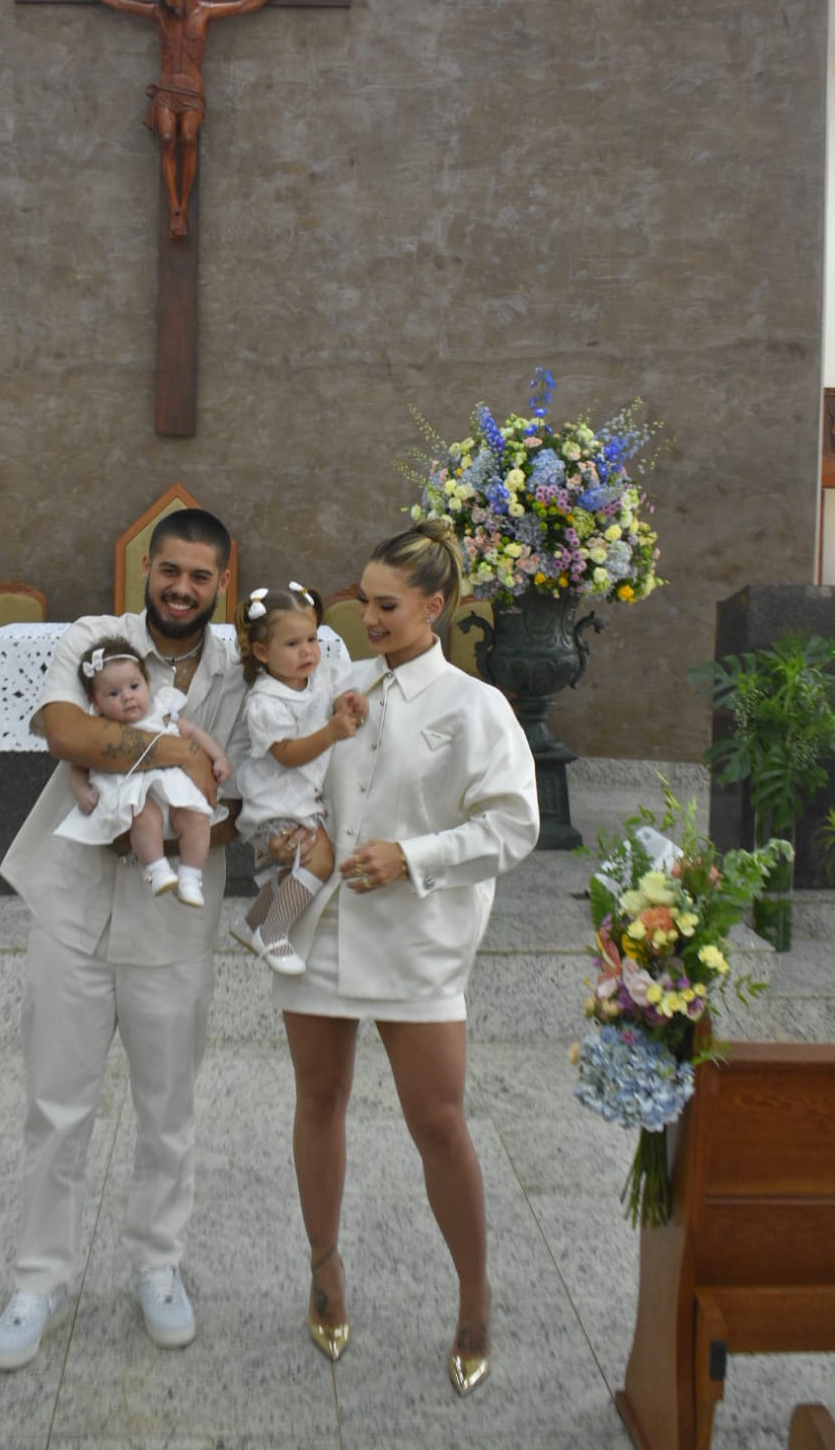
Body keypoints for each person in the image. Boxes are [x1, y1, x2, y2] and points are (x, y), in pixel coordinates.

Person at [267, 518, 540, 1397]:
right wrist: (298, 832)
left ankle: (473, 1296)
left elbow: (511, 824)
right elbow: (296, 774)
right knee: (319, 1096)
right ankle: (325, 1267)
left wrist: (412, 856)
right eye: (363, 601)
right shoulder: (343, 689)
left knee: (438, 1121)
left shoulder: (474, 706)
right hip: (323, 927)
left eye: (386, 605)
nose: (368, 617)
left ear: (435, 605)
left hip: (418, 937)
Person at [0, 507, 248, 1371]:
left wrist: (139, 759)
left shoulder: (242, 668)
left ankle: (158, 1263)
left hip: (172, 920)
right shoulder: (96, 640)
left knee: (168, 1107)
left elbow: (233, 796)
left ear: (221, 581)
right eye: (169, 570)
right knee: (56, 1105)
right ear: (147, 569)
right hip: (70, 905)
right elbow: (62, 730)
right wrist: (173, 746)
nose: (181, 588)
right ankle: (40, 1277)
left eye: (200, 576)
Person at [59, 0, 308, 238]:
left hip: (192, 91)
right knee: (167, 137)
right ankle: (174, 207)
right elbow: (120, 3)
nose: (166, 3)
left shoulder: (205, 11)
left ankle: (184, 207)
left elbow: (244, 4)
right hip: (166, 87)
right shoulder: (159, 15)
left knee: (188, 137)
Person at [226, 583, 367, 974]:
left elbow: (339, 689)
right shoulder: (265, 701)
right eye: (292, 644)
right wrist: (331, 733)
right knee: (319, 859)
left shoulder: (319, 672)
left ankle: (250, 922)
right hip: (276, 798)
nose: (307, 651)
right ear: (261, 652)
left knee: (295, 866)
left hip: (303, 793)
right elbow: (286, 755)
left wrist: (348, 703)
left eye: (311, 638)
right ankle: (274, 934)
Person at [56, 634, 232, 908]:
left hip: (175, 791)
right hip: (132, 793)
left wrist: (218, 757)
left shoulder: (162, 712)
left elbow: (194, 733)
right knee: (143, 816)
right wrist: (82, 792)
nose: (127, 697)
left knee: (197, 818)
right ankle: (157, 869)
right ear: (96, 701)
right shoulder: (98, 728)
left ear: (147, 684)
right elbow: (76, 765)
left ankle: (190, 877)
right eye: (113, 694)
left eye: (134, 686)